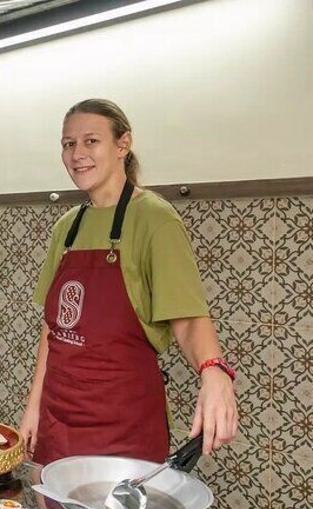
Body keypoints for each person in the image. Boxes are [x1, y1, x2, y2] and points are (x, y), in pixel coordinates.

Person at [18, 99, 238, 465]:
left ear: (123, 145)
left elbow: (187, 318)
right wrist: (34, 408)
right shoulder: (67, 227)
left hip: (122, 426)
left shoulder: (155, 219)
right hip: (58, 421)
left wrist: (214, 370)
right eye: (68, 144)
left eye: (91, 141)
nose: (77, 154)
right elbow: (52, 331)